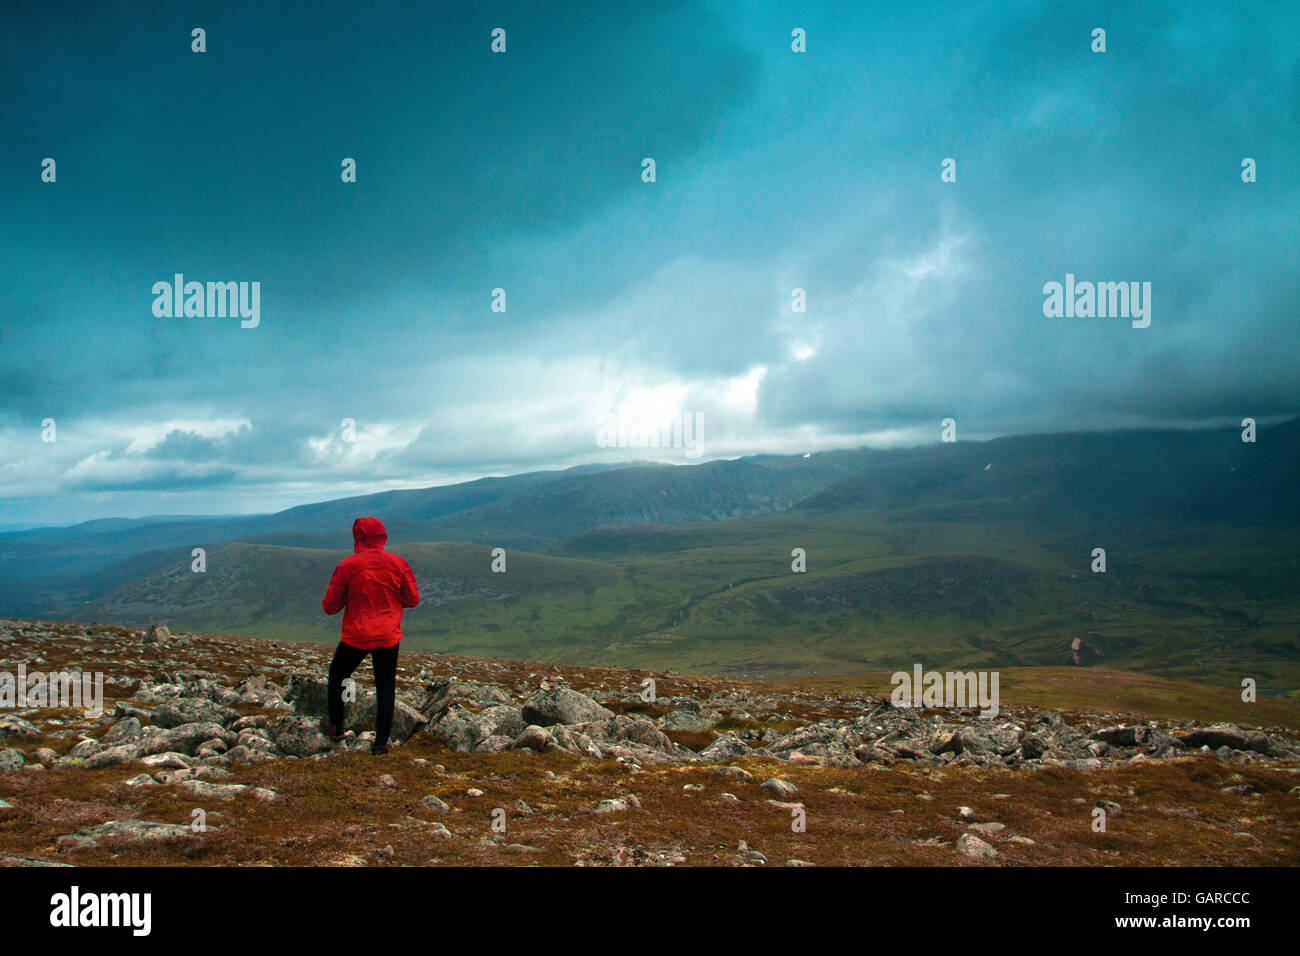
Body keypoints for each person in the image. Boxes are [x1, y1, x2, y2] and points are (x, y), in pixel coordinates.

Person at [319, 516, 419, 754]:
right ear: (382, 536)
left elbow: (329, 607)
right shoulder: (399, 563)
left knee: (339, 674)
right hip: (387, 635)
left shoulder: (347, 566)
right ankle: (380, 744)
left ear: (358, 536)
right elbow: (412, 599)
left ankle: (335, 725)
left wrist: (349, 598)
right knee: (385, 686)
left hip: (356, 634)